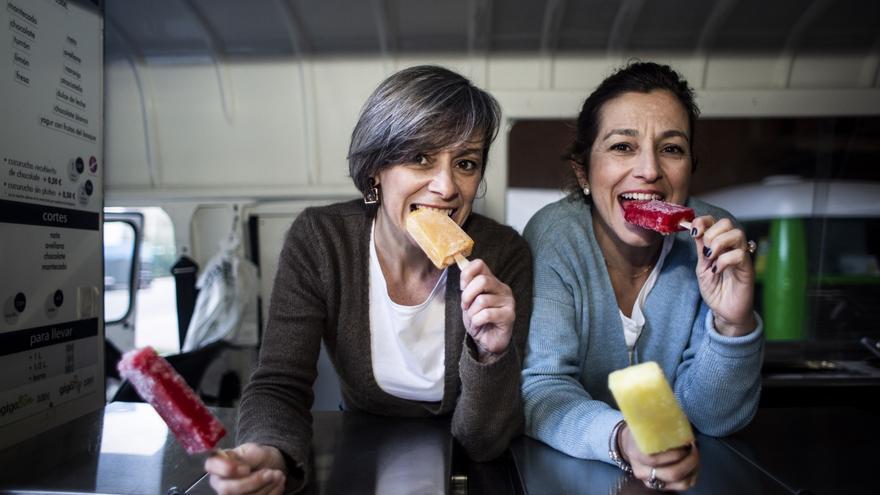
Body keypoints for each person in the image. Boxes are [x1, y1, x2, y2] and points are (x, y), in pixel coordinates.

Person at [205, 65, 532, 494]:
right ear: (376, 168)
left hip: (468, 465)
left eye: (466, 163)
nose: (447, 186)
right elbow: (280, 382)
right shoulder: (321, 240)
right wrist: (270, 450)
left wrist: (490, 355)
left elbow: (483, 440)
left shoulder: (504, 255)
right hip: (360, 451)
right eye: (421, 158)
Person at [521, 61, 763, 492]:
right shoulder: (554, 237)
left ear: (689, 167)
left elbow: (713, 419)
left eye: (671, 149)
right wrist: (621, 439)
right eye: (622, 147)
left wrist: (732, 324)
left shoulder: (713, 241)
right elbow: (542, 389)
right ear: (584, 173)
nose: (650, 170)